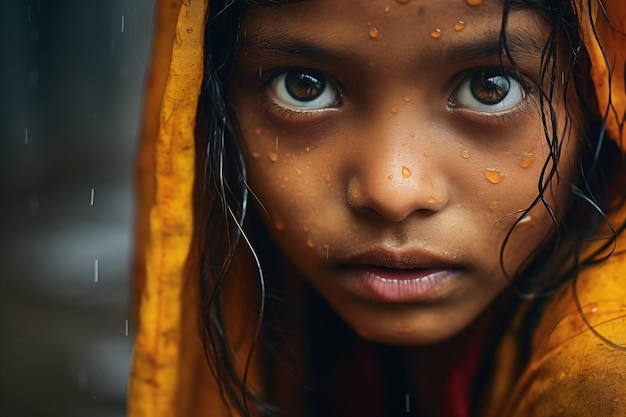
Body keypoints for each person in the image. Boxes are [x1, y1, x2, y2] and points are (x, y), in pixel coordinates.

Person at [128, 0, 626, 416]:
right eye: (304, 85)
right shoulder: (276, 311)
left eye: (489, 87)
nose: (394, 192)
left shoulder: (602, 374)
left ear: (599, 94)